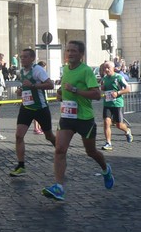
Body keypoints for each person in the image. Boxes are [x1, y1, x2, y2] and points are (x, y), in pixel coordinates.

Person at [42, 40, 115, 201]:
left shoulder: (86, 71)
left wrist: (75, 90)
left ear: (81, 54)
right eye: (67, 50)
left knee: (91, 152)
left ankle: (105, 169)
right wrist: (61, 93)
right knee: (60, 149)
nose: (69, 53)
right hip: (67, 117)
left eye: (73, 51)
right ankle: (59, 187)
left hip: (84, 118)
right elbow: (63, 90)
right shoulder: (66, 70)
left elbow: (97, 94)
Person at [10, 49, 56, 177]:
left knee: (49, 136)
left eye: (25, 57)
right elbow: (26, 86)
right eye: (21, 57)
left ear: (32, 58)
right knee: (19, 136)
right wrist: (20, 90)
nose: (22, 59)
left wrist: (33, 86)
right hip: (26, 108)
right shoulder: (22, 71)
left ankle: (61, 152)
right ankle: (21, 166)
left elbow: (50, 85)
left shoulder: (38, 70)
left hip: (40, 108)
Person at [100, 61, 133, 151]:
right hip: (107, 104)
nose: (106, 70)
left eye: (108, 68)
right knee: (106, 122)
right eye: (105, 68)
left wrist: (118, 93)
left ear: (113, 68)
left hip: (117, 104)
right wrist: (102, 88)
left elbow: (128, 89)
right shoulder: (104, 79)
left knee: (119, 125)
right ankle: (108, 143)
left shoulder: (118, 77)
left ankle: (127, 131)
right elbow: (103, 87)